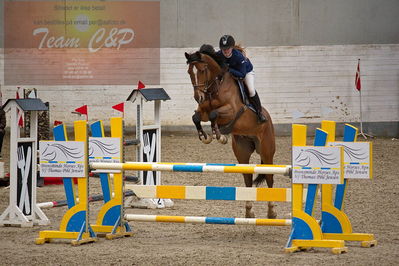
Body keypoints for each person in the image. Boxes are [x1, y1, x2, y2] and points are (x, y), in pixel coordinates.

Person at [217, 35, 267, 123]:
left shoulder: (238, 56)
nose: (225, 51)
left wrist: (229, 69)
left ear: (232, 47)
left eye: (228, 49)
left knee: (251, 90)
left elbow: (242, 75)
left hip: (246, 72)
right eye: (223, 49)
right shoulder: (218, 54)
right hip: (231, 73)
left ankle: (259, 113)